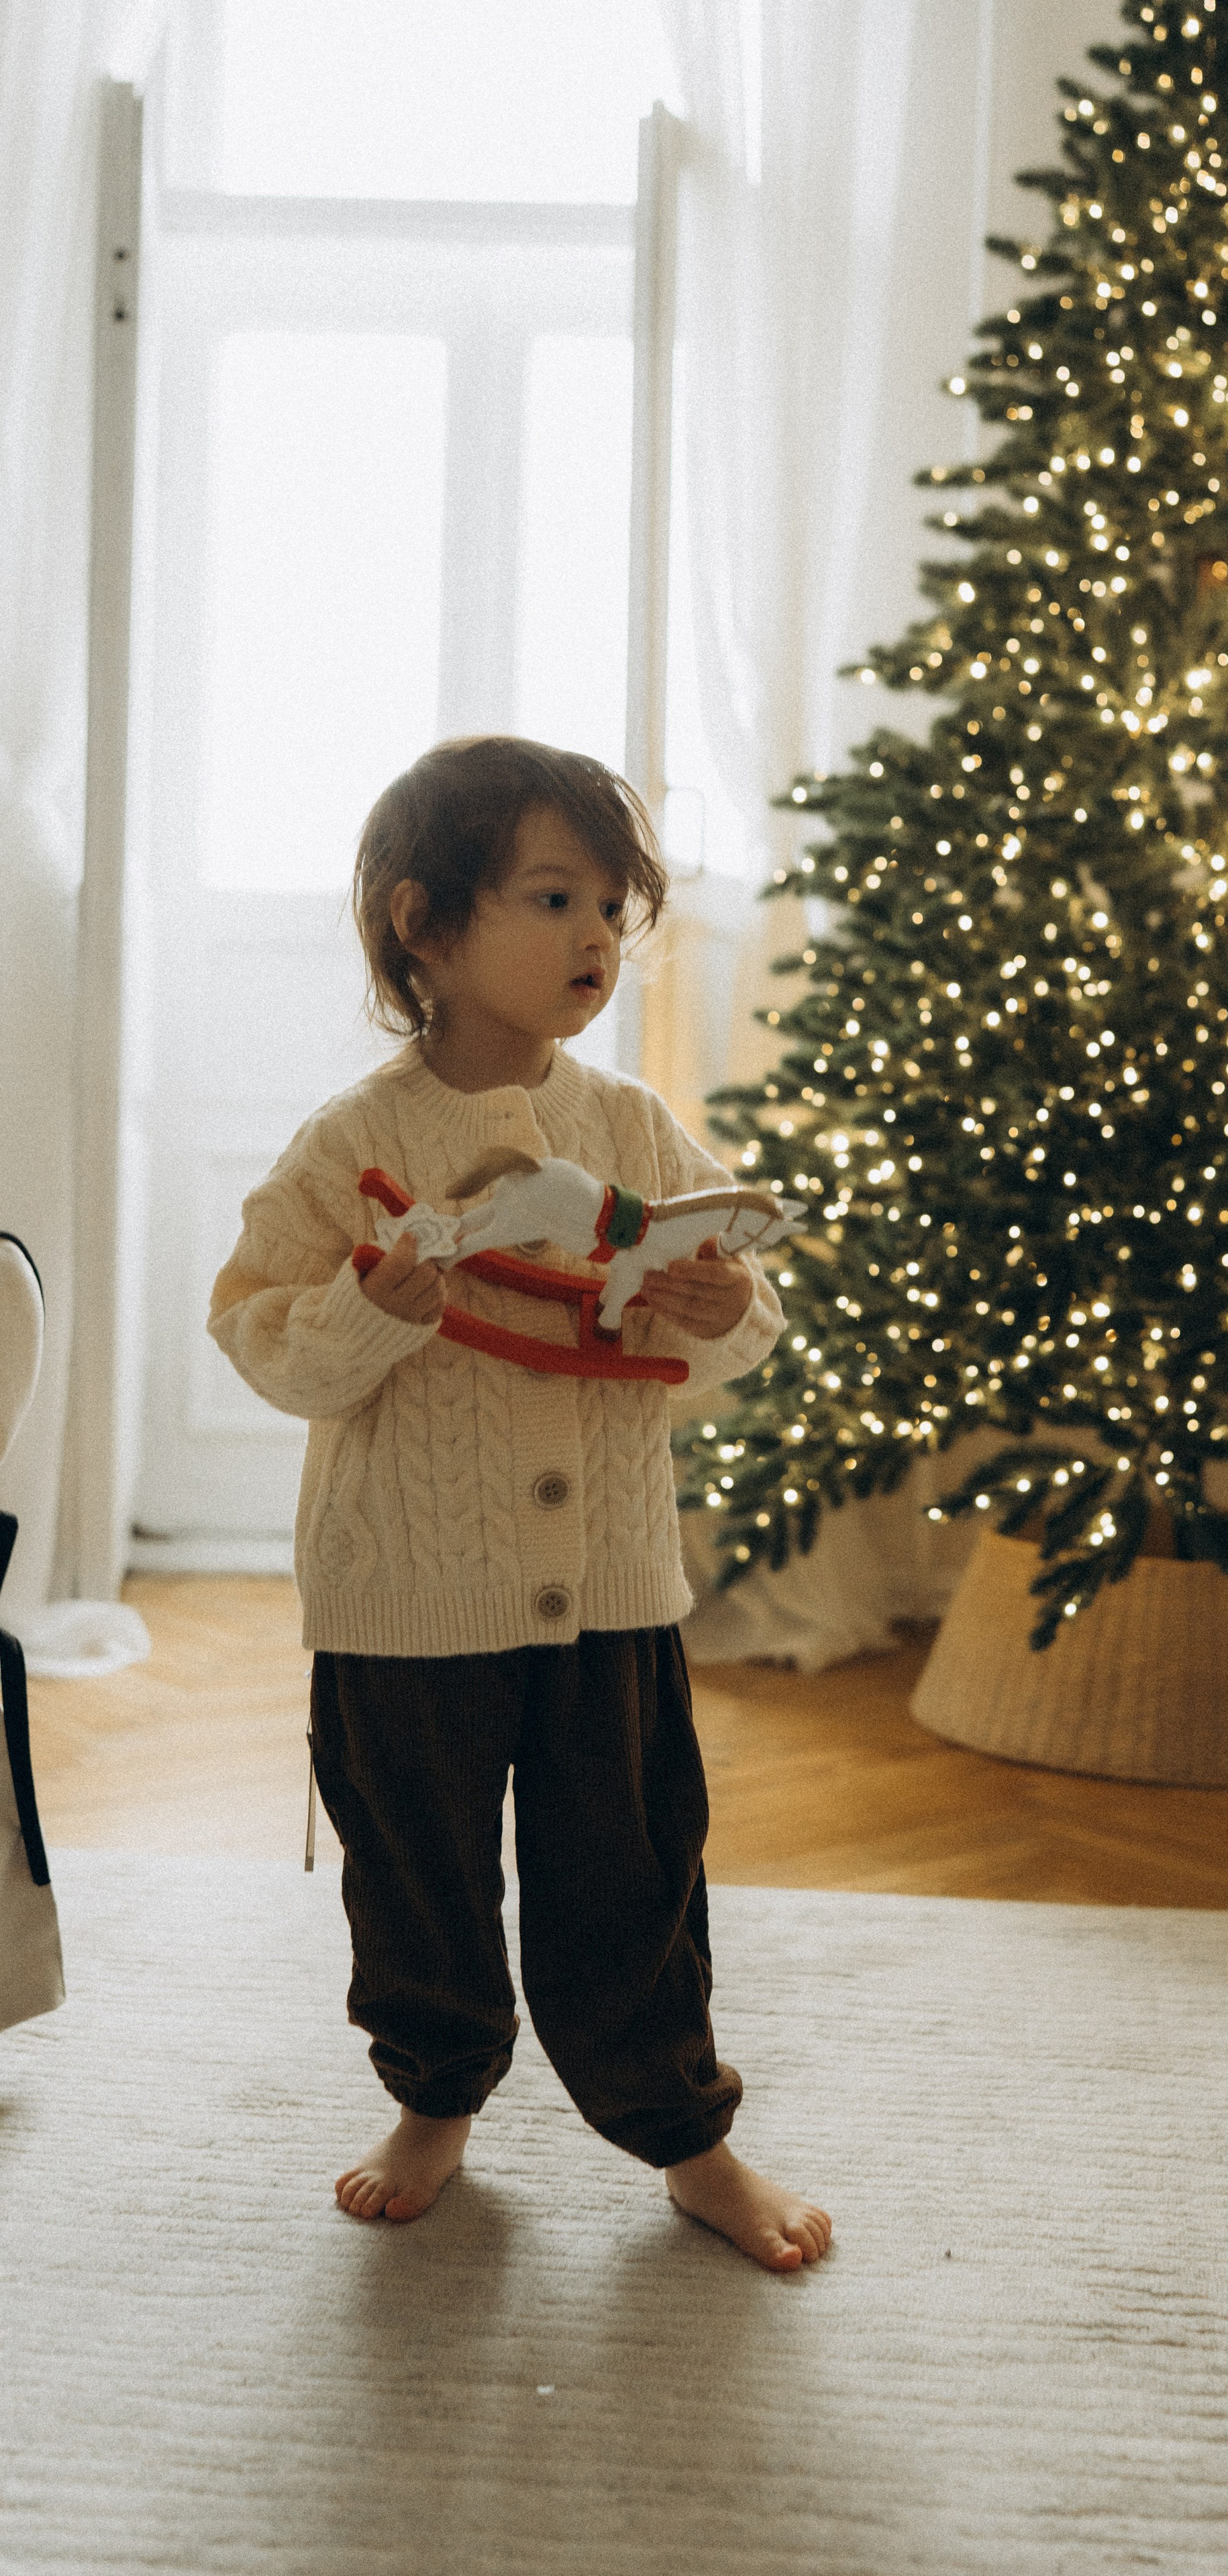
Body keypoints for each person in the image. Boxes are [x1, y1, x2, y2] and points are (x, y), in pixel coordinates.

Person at [207, 735, 831, 2272]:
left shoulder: (626, 1123)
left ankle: (683, 2136)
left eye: (614, 907)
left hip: (610, 1590)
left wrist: (708, 1302)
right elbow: (260, 1333)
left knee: (634, 1876)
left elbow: (737, 1319)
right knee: (412, 1873)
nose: (596, 939)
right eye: (554, 899)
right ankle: (434, 2100)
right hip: (403, 1601)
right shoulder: (351, 1144)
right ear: (424, 923)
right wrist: (381, 1307)